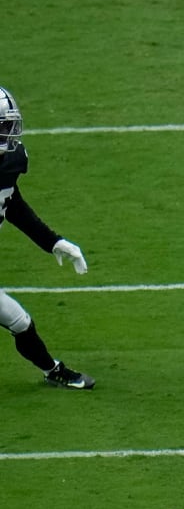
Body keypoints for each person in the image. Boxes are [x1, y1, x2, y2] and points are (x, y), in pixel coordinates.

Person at [0, 86, 95, 389]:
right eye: (3, 126)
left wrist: (53, 241)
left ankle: (52, 370)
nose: (10, 132)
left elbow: (11, 203)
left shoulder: (8, 163)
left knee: (20, 322)